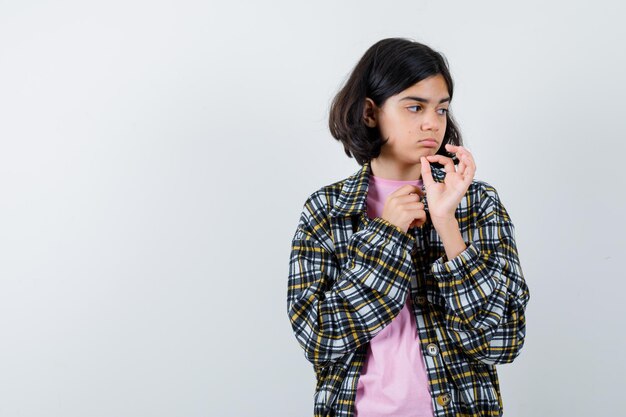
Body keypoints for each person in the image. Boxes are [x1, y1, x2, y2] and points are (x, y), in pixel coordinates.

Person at [286, 38, 530, 417]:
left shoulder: (478, 203)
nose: (433, 122)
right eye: (415, 106)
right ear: (370, 112)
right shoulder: (327, 210)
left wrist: (447, 221)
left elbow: (501, 342)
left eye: (442, 108)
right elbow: (320, 338)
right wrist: (386, 234)